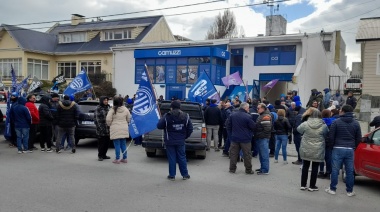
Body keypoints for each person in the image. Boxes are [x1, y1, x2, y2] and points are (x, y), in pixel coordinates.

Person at [325, 105, 362, 197]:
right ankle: (350, 191)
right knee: (349, 171)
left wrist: (331, 146)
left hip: (337, 148)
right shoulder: (356, 123)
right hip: (350, 149)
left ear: (343, 112)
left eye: (341, 110)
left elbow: (331, 137)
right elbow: (359, 138)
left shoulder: (336, 122)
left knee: (335, 169)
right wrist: (354, 146)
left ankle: (332, 189)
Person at [157, 100, 193, 180]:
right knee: (182, 157)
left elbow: (159, 126)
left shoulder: (167, 116)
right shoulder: (186, 116)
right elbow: (190, 128)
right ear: (180, 107)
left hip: (170, 141)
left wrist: (161, 119)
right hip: (181, 140)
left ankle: (172, 175)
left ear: (171, 107)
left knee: (172, 158)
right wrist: (185, 136)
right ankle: (185, 175)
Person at [297, 108, 328, 191]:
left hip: (306, 147)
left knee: (305, 166)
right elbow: (326, 134)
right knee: (315, 167)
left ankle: (303, 185)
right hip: (318, 148)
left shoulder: (305, 123)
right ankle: (312, 186)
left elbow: (298, 130)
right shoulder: (323, 125)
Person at [226, 102, 256, 174]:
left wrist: (231, 135)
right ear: (245, 108)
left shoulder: (232, 115)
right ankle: (248, 170)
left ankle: (232, 169)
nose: (249, 109)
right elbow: (253, 126)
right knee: (247, 155)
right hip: (245, 139)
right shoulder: (248, 116)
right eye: (248, 108)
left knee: (233, 154)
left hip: (235, 138)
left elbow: (228, 125)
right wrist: (250, 134)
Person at [106, 97, 131, 164]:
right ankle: (124, 158)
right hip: (124, 128)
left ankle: (117, 159)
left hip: (115, 128)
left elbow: (108, 119)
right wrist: (126, 123)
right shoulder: (126, 109)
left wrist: (109, 124)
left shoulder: (112, 110)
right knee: (123, 144)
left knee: (117, 144)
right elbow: (129, 119)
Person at [318, 109, 337, 179]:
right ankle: (329, 172)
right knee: (328, 158)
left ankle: (321, 171)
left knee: (321, 157)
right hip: (329, 141)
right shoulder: (333, 122)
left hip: (321, 141)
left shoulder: (320, 122)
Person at [255, 103, 273, 175]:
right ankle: (262, 167)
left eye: (258, 108)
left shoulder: (266, 116)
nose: (257, 109)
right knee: (261, 154)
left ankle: (265, 169)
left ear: (263, 108)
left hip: (263, 138)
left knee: (264, 154)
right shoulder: (262, 115)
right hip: (260, 137)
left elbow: (267, 129)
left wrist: (260, 135)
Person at [94, 96, 111, 161]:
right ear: (101, 101)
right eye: (104, 100)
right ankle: (100, 155)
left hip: (108, 129)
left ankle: (104, 154)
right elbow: (97, 120)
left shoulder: (108, 107)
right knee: (101, 143)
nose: (106, 101)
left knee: (107, 143)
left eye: (107, 100)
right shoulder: (98, 108)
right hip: (101, 129)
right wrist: (101, 128)